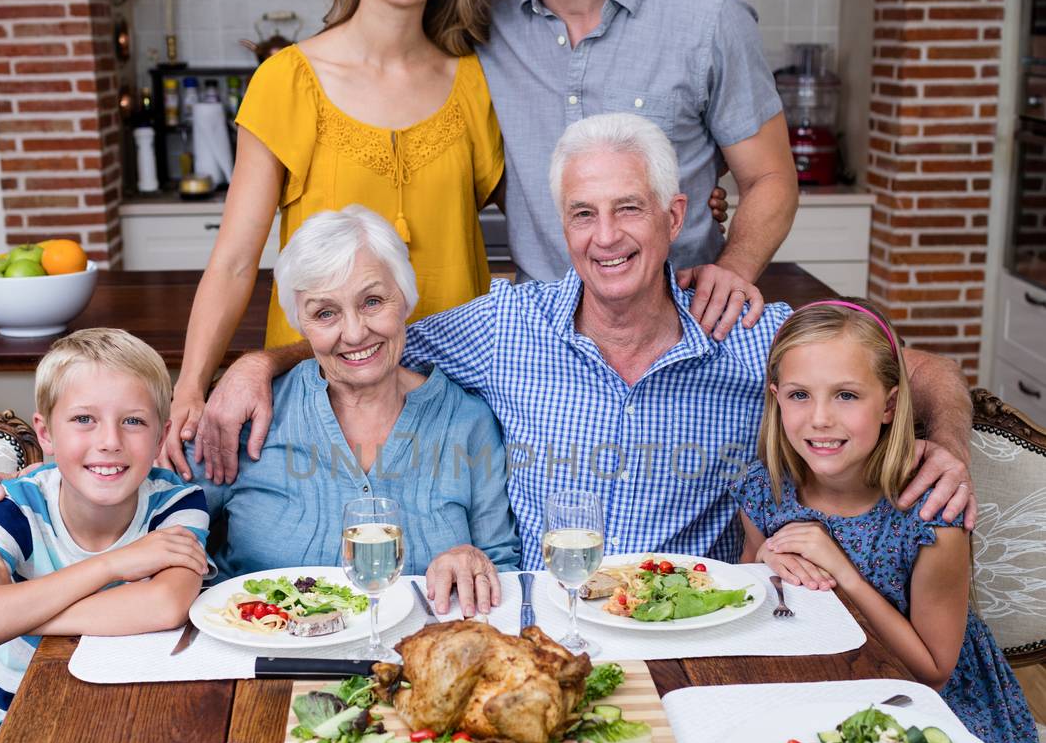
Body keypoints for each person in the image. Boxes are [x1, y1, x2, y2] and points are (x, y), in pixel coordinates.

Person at [190, 114, 977, 571]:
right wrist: (260, 360)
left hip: (684, 624)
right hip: (547, 626)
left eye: (628, 210)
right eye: (582, 214)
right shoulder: (507, 326)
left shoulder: (744, 337)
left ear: (672, 219)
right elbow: (369, 337)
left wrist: (945, 444)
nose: (606, 238)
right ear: (561, 225)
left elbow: (927, 369)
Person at [164, 0, 504, 476]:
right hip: (318, 397)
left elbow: (549, 225)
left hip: (456, 403)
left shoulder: (477, 81)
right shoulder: (287, 80)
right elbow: (237, 260)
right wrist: (190, 386)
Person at [471, 0, 800, 343]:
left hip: (684, 330)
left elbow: (771, 177)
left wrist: (736, 268)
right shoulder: (484, 30)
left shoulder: (708, 19)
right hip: (538, 344)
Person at [733, 300, 1038, 743]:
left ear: (891, 405)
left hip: (925, 712)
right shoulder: (764, 492)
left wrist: (844, 573)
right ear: (776, 399)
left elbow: (932, 673)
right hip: (811, 688)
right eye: (799, 395)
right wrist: (764, 561)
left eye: (847, 395)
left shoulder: (931, 519)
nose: (820, 418)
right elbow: (750, 602)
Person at [193, 207, 519, 616]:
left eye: (372, 301)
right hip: (257, 662)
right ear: (301, 323)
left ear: (405, 299)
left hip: (412, 661)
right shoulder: (250, 412)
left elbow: (502, 565)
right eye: (325, 313)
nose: (354, 332)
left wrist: (473, 560)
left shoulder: (467, 421)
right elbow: (164, 523)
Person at [0, 329, 209, 743]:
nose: (109, 441)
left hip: (135, 717)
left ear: (162, 436)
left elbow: (164, 605)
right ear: (46, 434)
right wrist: (112, 565)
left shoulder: (175, 502)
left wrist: (12, 608)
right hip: (12, 729)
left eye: (134, 421)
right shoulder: (12, 504)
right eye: (84, 419)